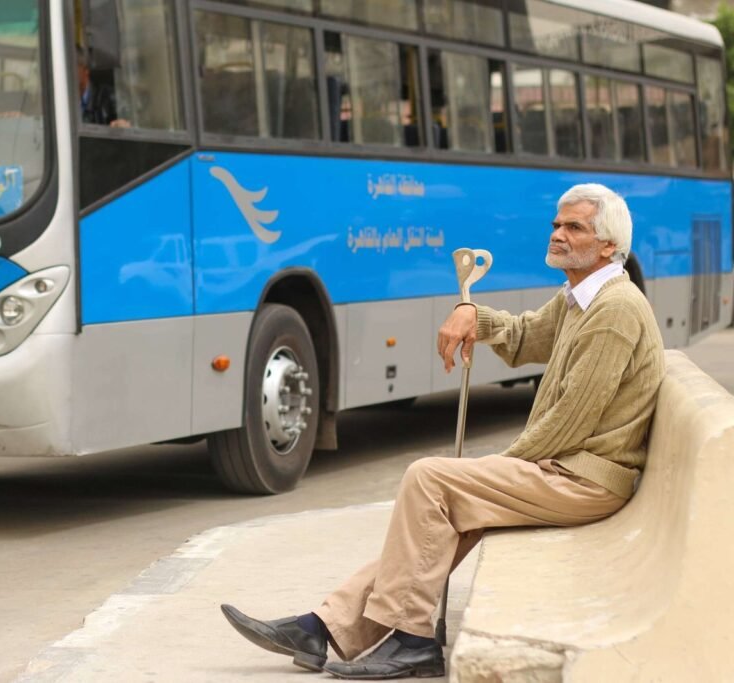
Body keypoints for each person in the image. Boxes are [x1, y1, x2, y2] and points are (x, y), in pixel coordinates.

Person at [221, 183, 665, 680]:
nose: (558, 234)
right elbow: (522, 339)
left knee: (432, 479)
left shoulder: (615, 310)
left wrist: (499, 464)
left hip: (585, 479)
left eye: (573, 227)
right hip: (565, 469)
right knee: (437, 512)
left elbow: (570, 421)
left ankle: (411, 641)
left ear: (608, 245)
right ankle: (322, 628)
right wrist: (474, 315)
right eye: (556, 225)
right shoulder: (578, 299)